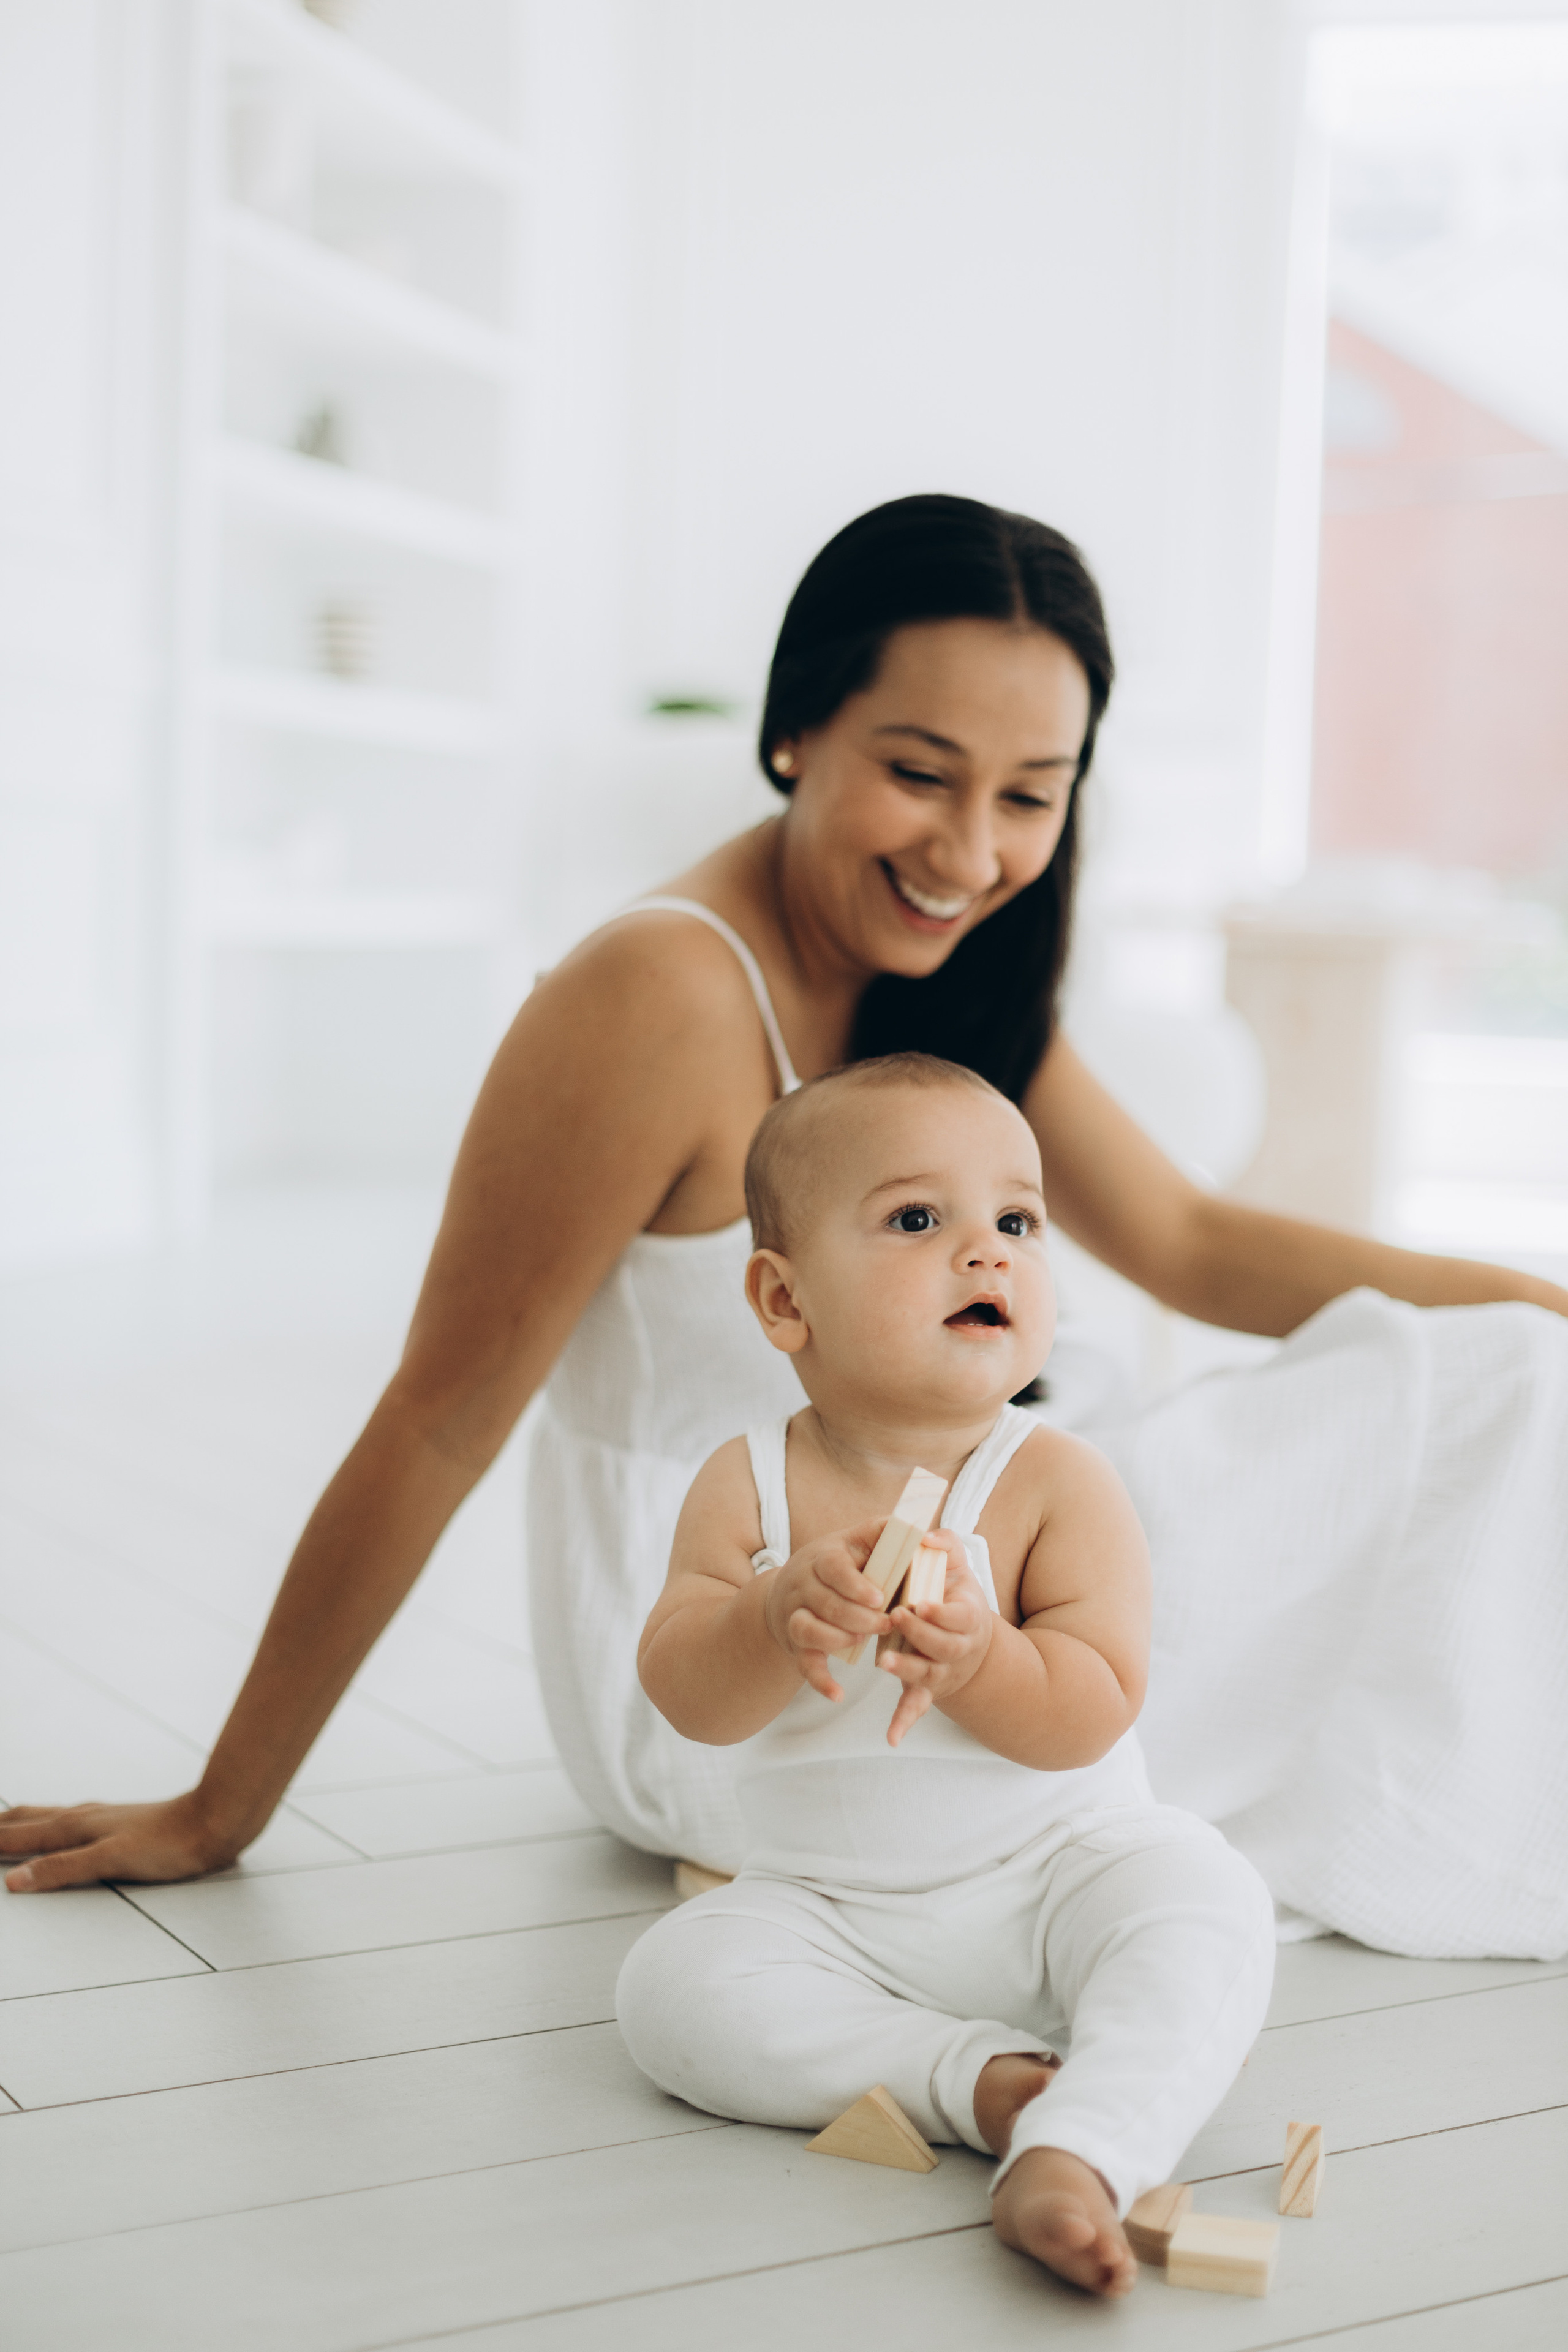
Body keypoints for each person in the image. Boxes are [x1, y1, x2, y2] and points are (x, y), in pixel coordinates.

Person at [3, 495, 1564, 1964]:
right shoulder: (655, 998)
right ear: (791, 730)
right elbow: (442, 1415)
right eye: (918, 771)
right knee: (1462, 1451)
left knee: (1497, 1378)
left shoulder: (944, 968)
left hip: (988, 1559)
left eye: (1029, 795)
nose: (968, 853)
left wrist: (1525, 1297)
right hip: (753, 1661)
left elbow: (1192, 1244)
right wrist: (222, 1808)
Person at [621, 1051, 1275, 2297]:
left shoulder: (1054, 1480)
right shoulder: (744, 1482)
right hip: (831, 1910)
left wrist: (984, 1661)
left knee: (1206, 1898)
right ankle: (977, 2084)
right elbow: (683, 1695)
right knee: (671, 1991)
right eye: (918, 1219)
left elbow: (1091, 1710)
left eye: (1015, 1221)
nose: (986, 1253)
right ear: (782, 1297)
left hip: (1057, 1875)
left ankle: (1084, 2148)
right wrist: (766, 1618)